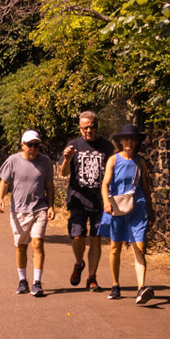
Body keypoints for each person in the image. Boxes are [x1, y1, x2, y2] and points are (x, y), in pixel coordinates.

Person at [57, 110, 113, 291]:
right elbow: (63, 173)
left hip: (100, 201)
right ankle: (79, 263)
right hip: (78, 200)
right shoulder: (73, 146)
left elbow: (113, 171)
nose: (88, 131)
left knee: (96, 239)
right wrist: (67, 160)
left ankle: (92, 277)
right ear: (79, 128)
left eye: (91, 127)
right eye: (84, 128)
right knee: (77, 236)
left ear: (97, 126)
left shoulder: (107, 147)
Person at [0, 129, 55, 297]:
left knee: (37, 243)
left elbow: (49, 185)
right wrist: (0, 199)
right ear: (22, 145)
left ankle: (37, 282)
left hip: (39, 208)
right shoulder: (13, 161)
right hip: (19, 210)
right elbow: (4, 182)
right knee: (21, 246)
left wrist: (51, 206)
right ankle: (22, 281)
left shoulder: (45, 162)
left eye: (36, 145)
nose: (33, 148)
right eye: (30, 145)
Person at [103, 123, 154, 303]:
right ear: (120, 141)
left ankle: (141, 288)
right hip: (117, 207)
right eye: (125, 139)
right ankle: (115, 284)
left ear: (137, 142)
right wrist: (106, 202)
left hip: (137, 207)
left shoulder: (141, 162)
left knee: (139, 247)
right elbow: (105, 184)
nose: (129, 143)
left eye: (132, 139)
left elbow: (145, 187)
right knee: (115, 247)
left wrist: (150, 208)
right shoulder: (113, 160)